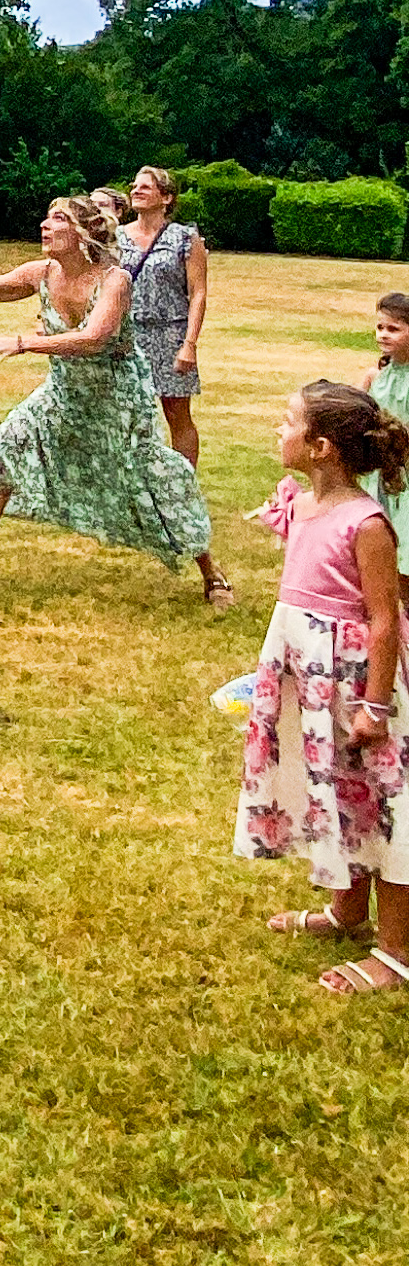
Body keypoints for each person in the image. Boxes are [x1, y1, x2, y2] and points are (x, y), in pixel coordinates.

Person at [0, 194, 229, 598]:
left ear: (84, 232)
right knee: (4, 445)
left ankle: (211, 572)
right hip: (64, 391)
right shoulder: (42, 271)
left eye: (58, 219)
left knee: (148, 479)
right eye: (46, 219)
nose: (44, 226)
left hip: (117, 398)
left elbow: (94, 338)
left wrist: (27, 343)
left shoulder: (114, 280)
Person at [236, 380, 409, 1000]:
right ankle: (346, 911)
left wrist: (377, 704)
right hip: (309, 677)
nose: (277, 431)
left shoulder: (366, 524)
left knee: (386, 809)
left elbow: (385, 618)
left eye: (288, 423)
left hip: (356, 683)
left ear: (321, 447)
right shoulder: (305, 503)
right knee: (337, 793)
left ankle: (397, 952)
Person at [118, 164, 209, 464]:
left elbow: (198, 293)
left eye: (145, 187)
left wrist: (189, 345)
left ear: (167, 197)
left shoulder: (185, 239)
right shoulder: (116, 238)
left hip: (170, 334)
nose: (136, 191)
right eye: (134, 186)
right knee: (126, 411)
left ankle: (184, 483)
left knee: (176, 412)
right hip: (127, 334)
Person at [367, 291, 409, 543]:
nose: (383, 334)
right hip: (381, 467)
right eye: (380, 327)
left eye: (393, 329)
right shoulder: (376, 376)